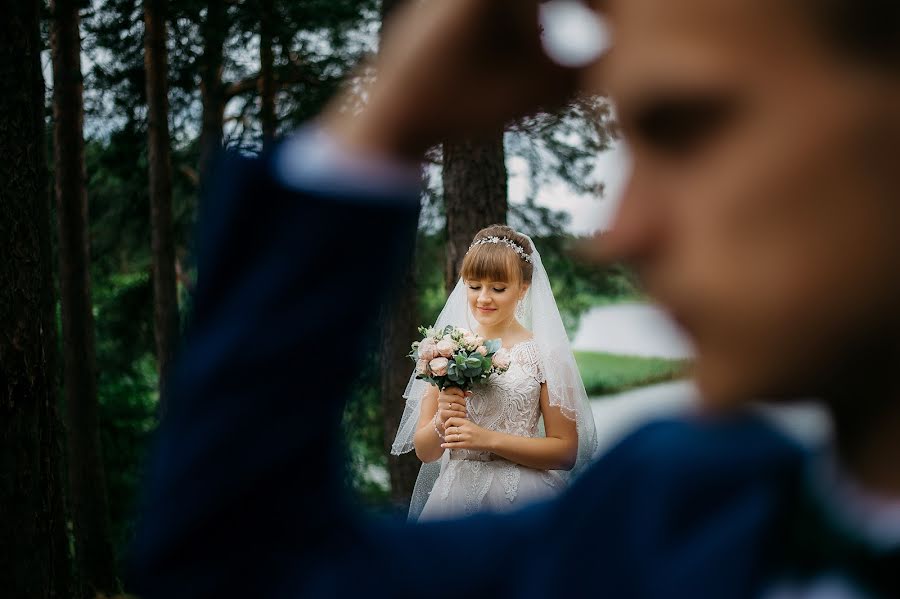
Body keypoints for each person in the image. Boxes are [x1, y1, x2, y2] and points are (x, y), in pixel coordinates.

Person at [130, 0, 900, 597]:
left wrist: (492, 440)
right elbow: (235, 569)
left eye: (685, 127)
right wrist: (385, 128)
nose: (619, 235)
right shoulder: (672, 508)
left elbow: (563, 443)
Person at [393, 225, 598, 520]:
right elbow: (426, 452)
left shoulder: (546, 356)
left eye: (498, 288)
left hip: (521, 500)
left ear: (522, 289)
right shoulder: (444, 349)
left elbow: (565, 453)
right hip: (453, 500)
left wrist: (485, 439)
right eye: (474, 286)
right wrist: (441, 419)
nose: (483, 298)